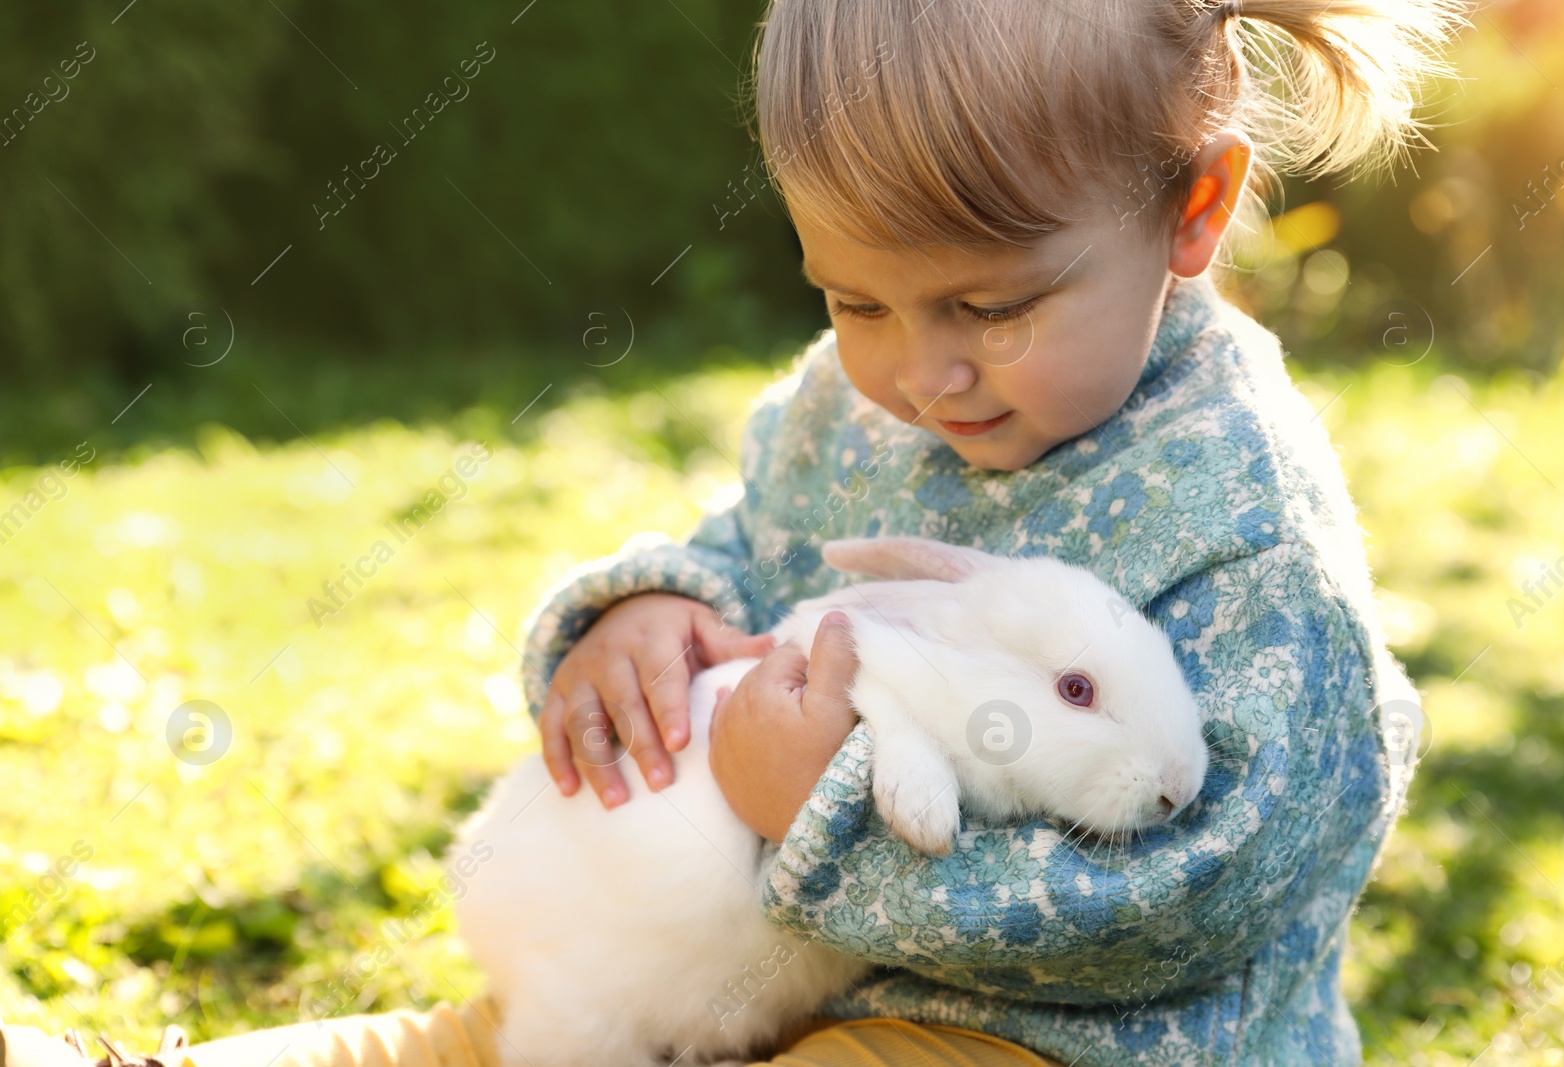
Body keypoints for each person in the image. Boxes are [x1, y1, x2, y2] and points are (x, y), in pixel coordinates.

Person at [3, 0, 1463, 1064]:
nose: (923, 373)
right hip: (756, 985)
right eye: (855, 299)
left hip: (1060, 1049)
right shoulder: (852, 409)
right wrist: (652, 614)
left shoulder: (1249, 532)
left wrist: (818, 823)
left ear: (1195, 205)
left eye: (994, 305)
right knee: (495, 1038)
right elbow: (757, 547)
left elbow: (1193, 901)